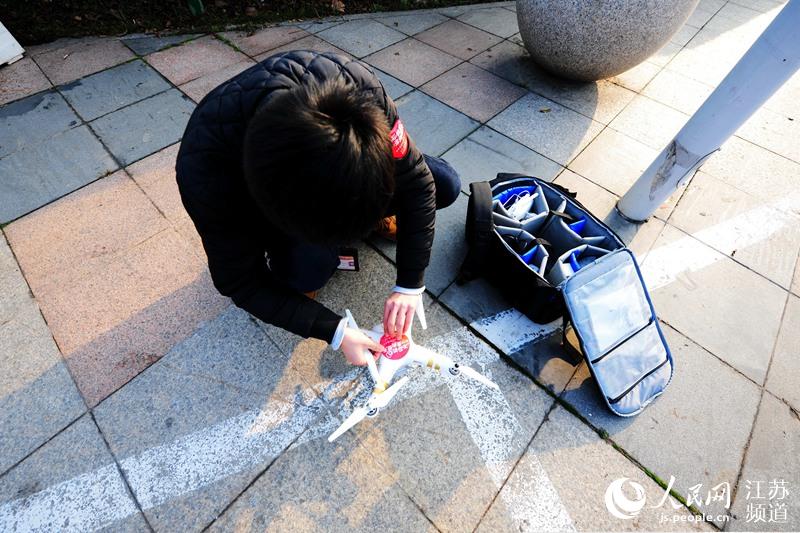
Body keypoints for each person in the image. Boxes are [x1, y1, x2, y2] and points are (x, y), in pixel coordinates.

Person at [176, 50, 461, 367]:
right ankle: (300, 256)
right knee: (309, 269)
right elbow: (242, 282)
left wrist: (410, 283)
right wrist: (336, 331)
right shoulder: (205, 173)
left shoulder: (358, 87)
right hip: (263, 204)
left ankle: (359, 221)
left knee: (445, 184)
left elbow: (419, 183)